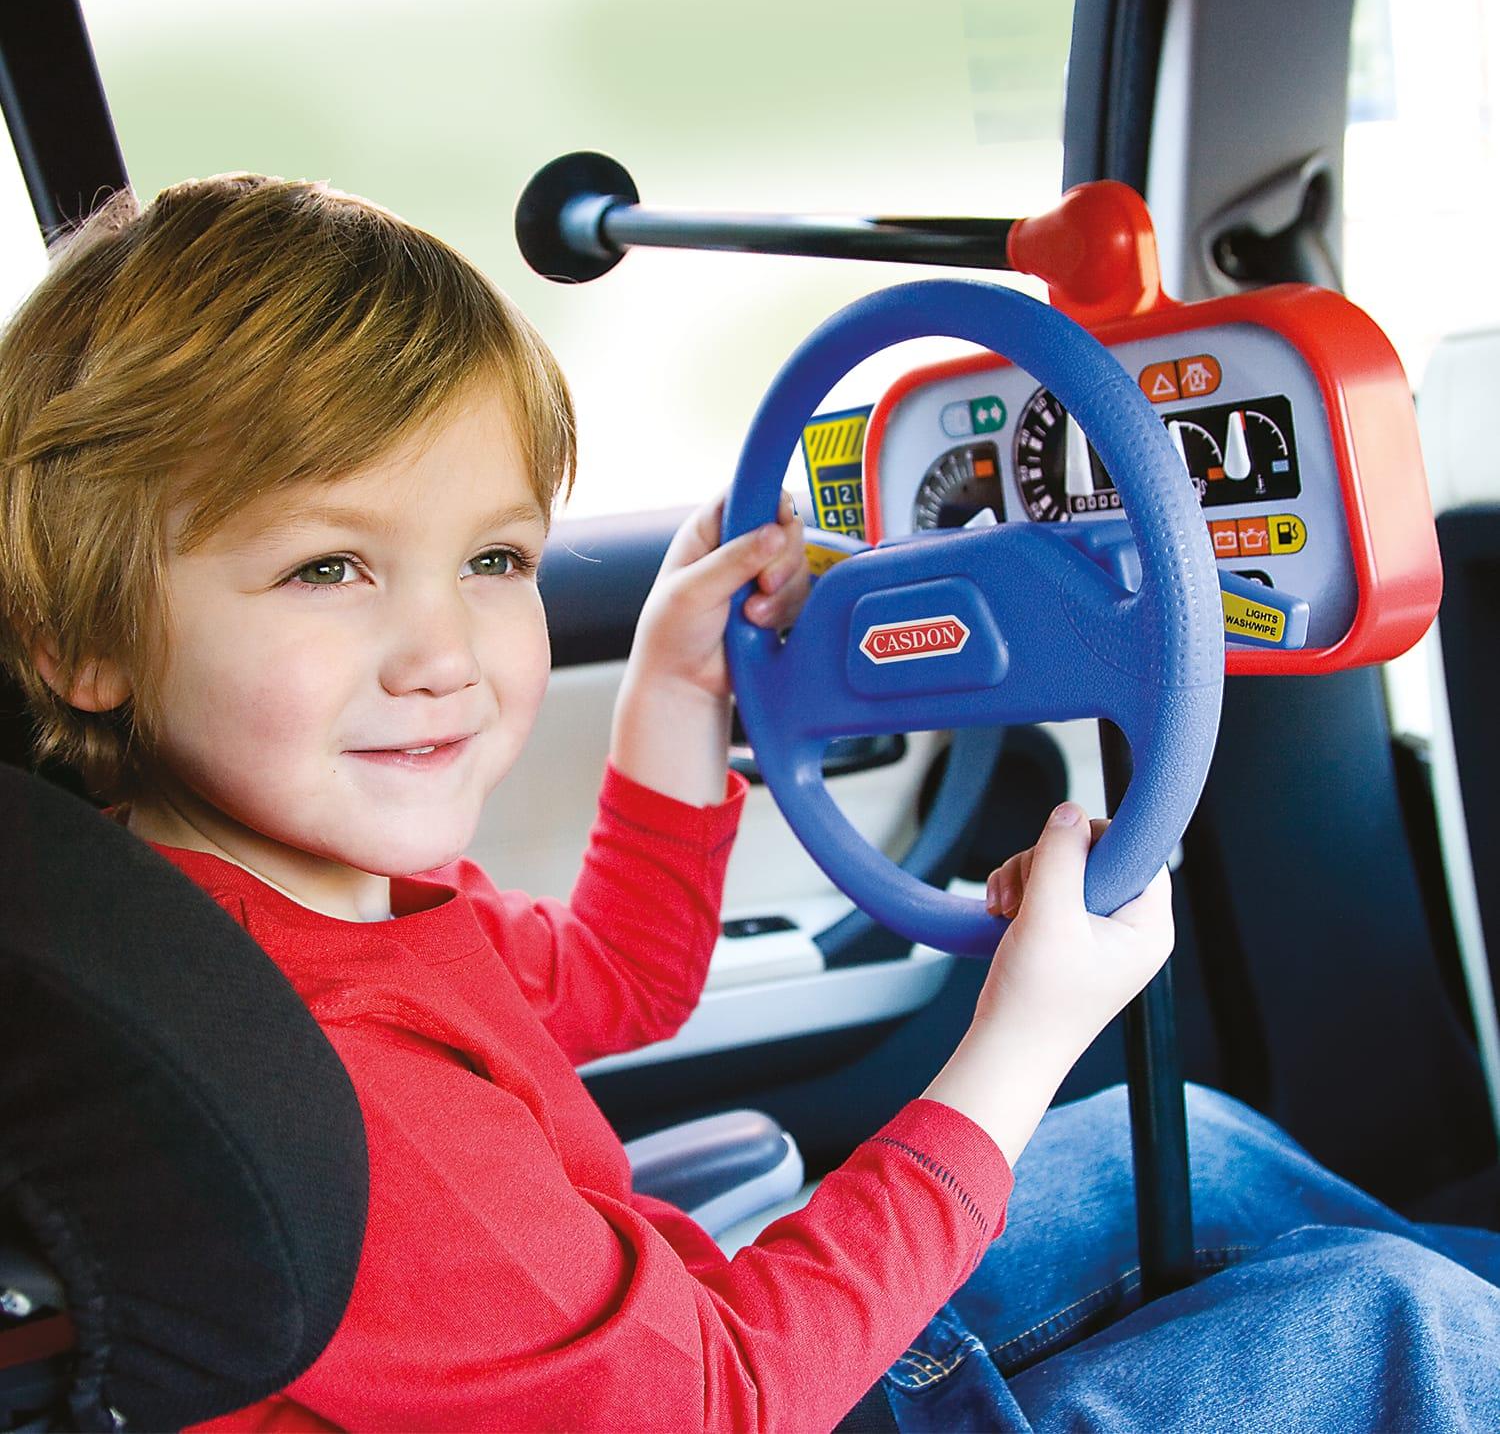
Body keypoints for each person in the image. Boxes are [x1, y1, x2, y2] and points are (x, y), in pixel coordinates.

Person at [0, 174, 1494, 1434]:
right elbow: (722, 1399)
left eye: (495, 561)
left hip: (686, 1343)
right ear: (81, 643)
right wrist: (1025, 1038)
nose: (443, 655)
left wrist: (668, 690)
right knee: (1391, 1322)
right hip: (722, 1392)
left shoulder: (300, 905)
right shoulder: (321, 1081)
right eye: (329, 569)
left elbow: (612, 986)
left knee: (1204, 1146)